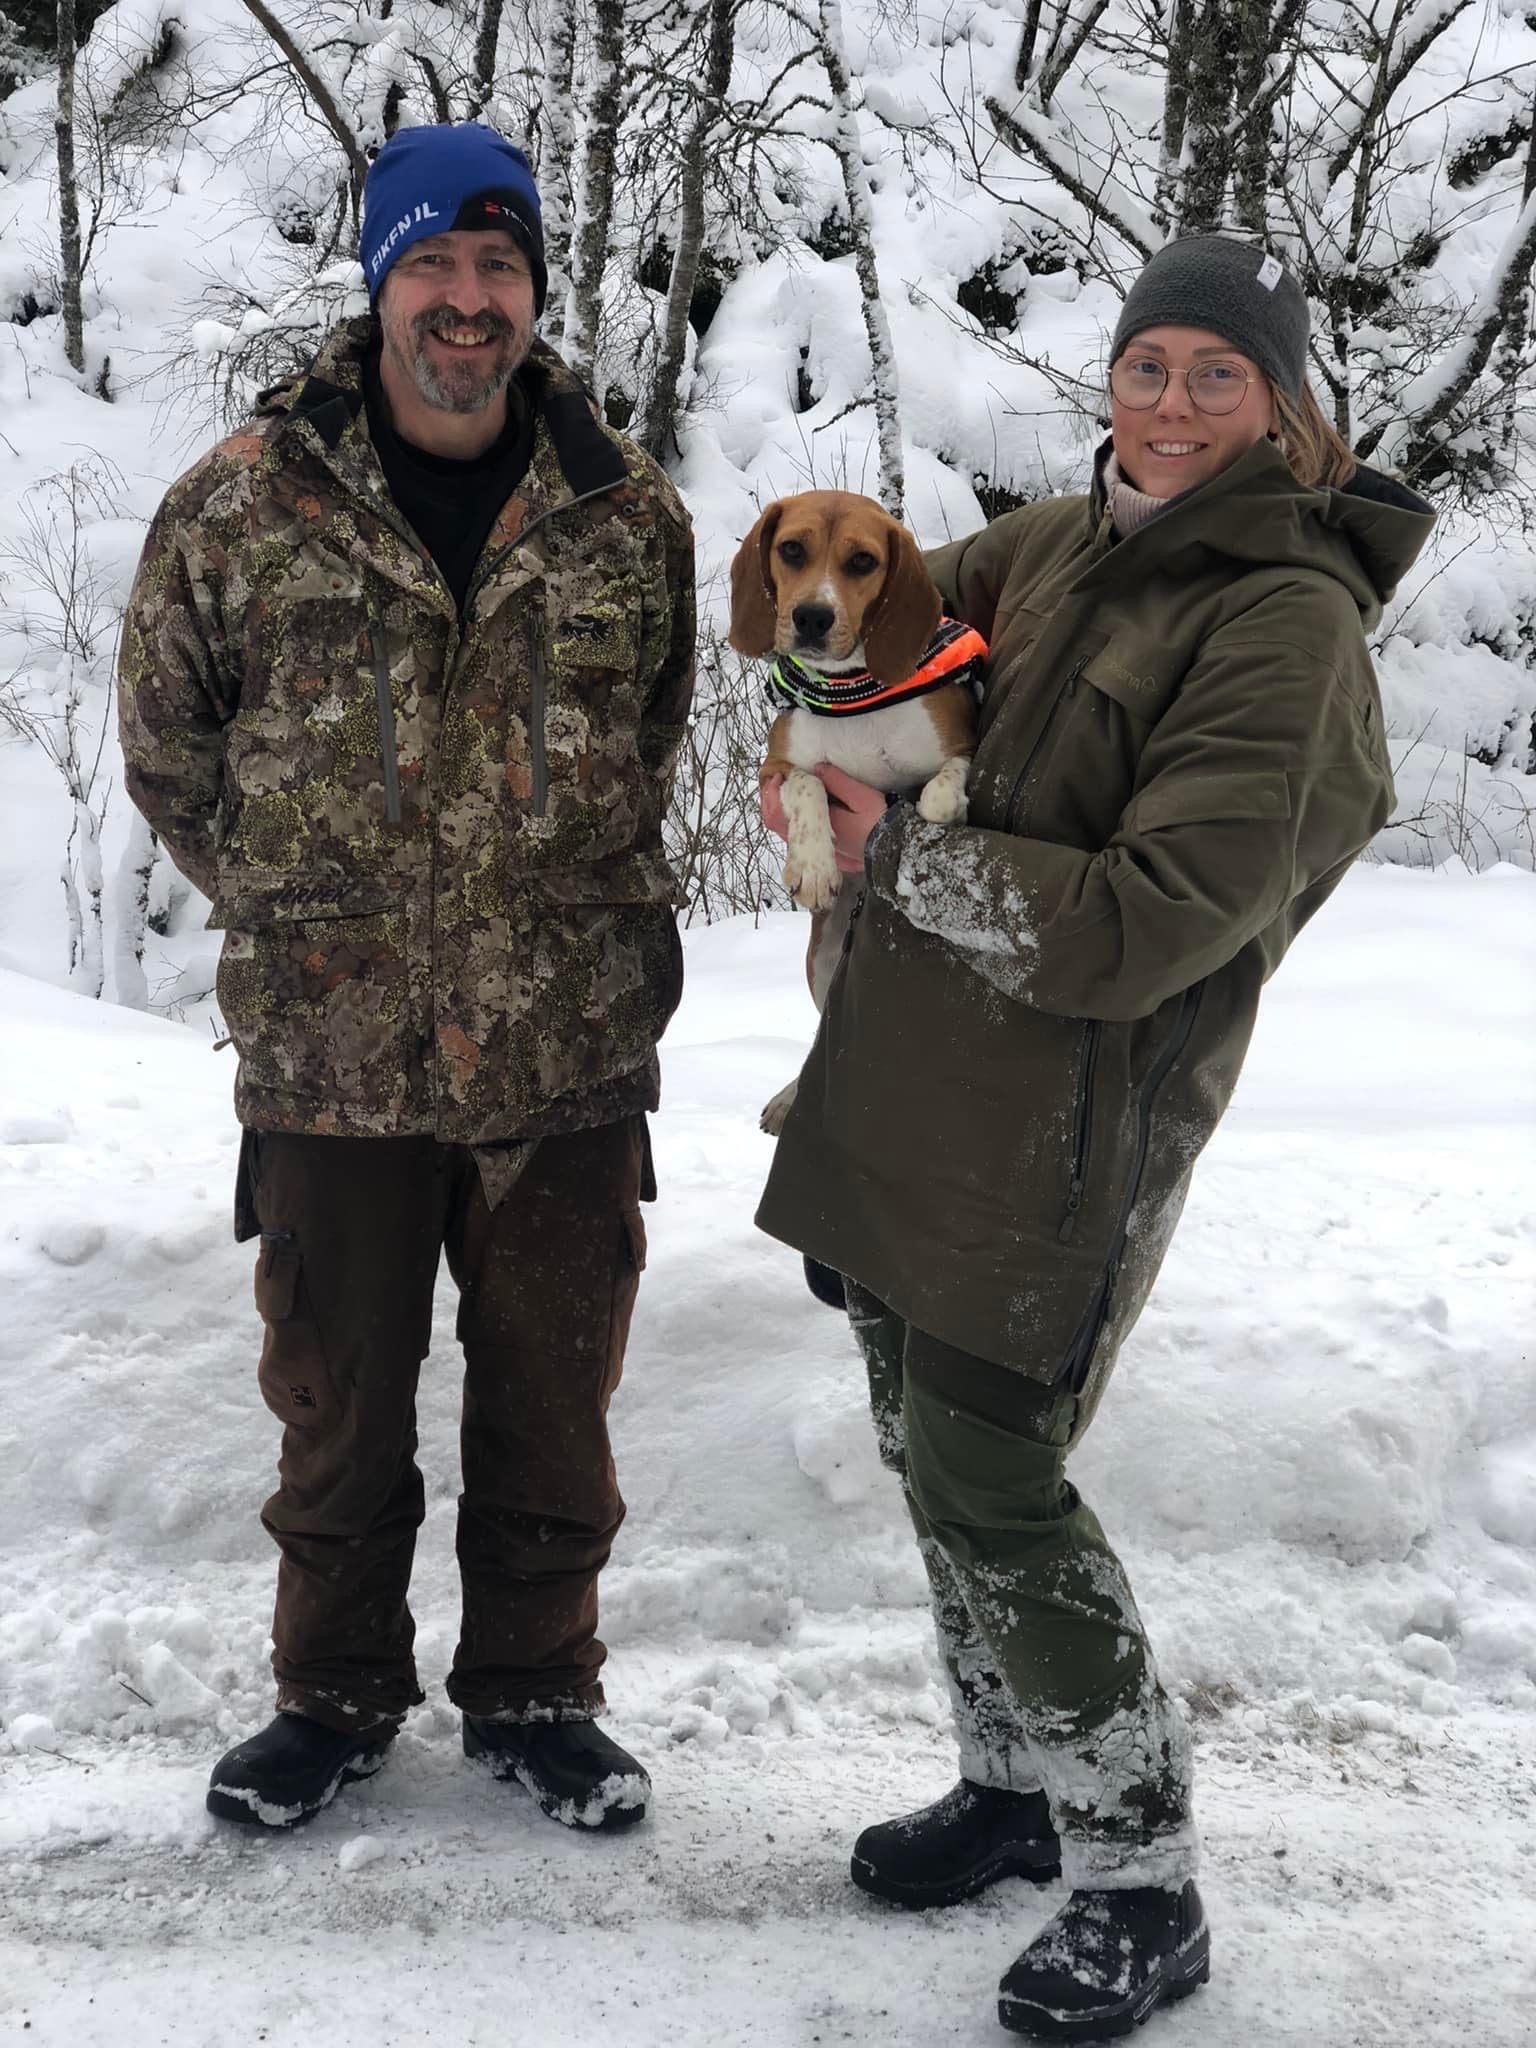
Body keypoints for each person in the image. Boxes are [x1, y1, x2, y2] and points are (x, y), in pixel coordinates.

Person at [756, 235, 1434, 2039]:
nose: (1173, 403)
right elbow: (863, 619)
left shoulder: (1284, 623)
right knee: (921, 1449)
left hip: (1073, 1128)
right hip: (909, 1078)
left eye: (1219, 373)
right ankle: (1013, 1785)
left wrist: (895, 855)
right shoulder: (1054, 548)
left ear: (1282, 406)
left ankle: (1140, 1875)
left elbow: (1154, 919)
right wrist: (808, 739)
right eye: (1148, 366)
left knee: (992, 1472)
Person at [117, 123, 695, 1833]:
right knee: (339, 1410)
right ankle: (334, 1697)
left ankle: (537, 1694)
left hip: (567, 1047)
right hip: (332, 1053)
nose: (466, 299)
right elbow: (168, 742)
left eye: (499, 267)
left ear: (533, 291)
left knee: (554, 1411)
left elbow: (652, 735)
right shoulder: (243, 500)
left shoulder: (624, 513)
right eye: (432, 261)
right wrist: (307, 914)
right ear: (381, 280)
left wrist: (528, 909)